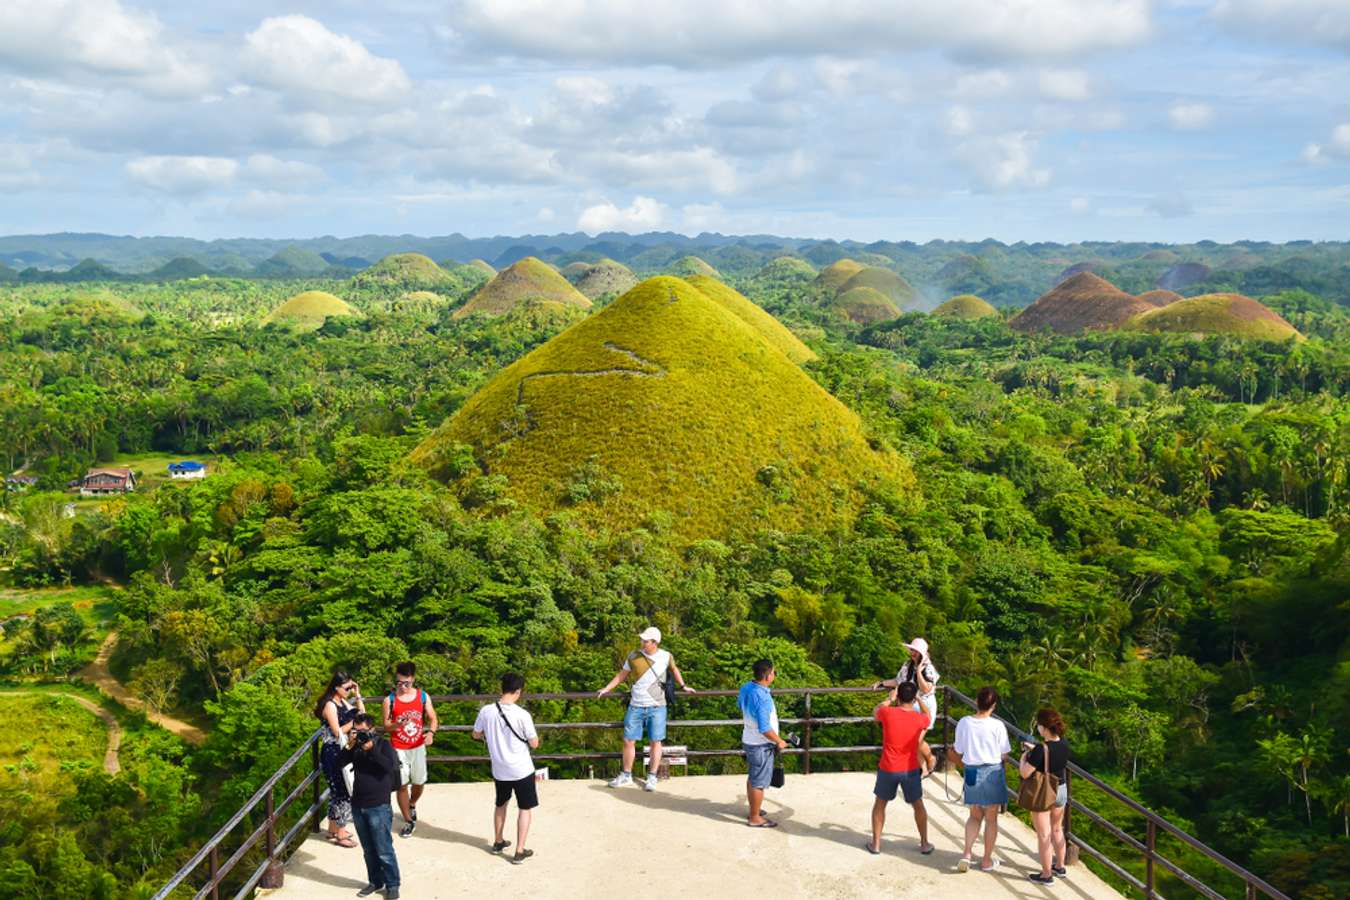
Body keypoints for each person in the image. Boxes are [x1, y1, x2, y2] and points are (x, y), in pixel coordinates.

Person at [596, 626, 694, 791]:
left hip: (657, 705)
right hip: (636, 704)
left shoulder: (666, 656)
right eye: (642, 640)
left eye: (645, 641)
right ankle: (626, 774)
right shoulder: (634, 656)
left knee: (656, 742)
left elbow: (674, 669)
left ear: (655, 643)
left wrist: (683, 685)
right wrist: (607, 688)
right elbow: (622, 674)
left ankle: (652, 777)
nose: (642, 642)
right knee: (628, 740)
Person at [473, 672, 540, 865]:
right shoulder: (522, 715)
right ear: (518, 691)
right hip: (521, 769)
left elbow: (476, 734)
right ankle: (519, 850)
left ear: (501, 688)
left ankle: (498, 841)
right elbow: (534, 743)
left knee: (501, 804)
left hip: (499, 769)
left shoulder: (486, 711)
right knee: (524, 808)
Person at [948, 685, 1011, 874]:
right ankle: (985, 861)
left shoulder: (965, 722)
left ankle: (967, 853)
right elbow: (1005, 754)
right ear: (994, 706)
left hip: (972, 771)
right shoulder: (998, 726)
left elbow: (957, 750)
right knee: (991, 819)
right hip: (992, 772)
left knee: (974, 816)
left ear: (977, 701)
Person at [866, 682, 934, 856]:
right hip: (910, 769)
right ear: (913, 698)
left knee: (880, 804)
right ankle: (924, 843)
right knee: (918, 805)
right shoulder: (919, 719)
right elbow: (929, 715)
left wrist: (889, 699)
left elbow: (876, 711)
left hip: (888, 767)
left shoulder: (888, 713)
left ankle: (876, 844)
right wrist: (919, 698)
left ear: (898, 697)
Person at [341, 714, 401, 899]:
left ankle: (392, 884)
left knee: (384, 849)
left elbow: (388, 767)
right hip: (358, 803)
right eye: (356, 731)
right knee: (368, 850)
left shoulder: (384, 745)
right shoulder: (355, 748)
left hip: (378, 805)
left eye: (362, 732)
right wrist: (349, 745)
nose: (359, 735)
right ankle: (375, 881)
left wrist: (372, 749)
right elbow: (339, 763)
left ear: (372, 729)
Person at [382, 661, 439, 838]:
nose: (403, 686)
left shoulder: (423, 697)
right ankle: (408, 820)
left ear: (413, 679)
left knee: (419, 781)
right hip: (398, 748)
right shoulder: (389, 700)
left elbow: (433, 718)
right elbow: (385, 726)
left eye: (406, 683)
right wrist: (396, 724)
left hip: (417, 746)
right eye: (399, 683)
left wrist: (430, 733)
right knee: (401, 785)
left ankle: (412, 803)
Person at [1019, 708, 1071, 885]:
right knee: (1057, 829)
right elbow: (1050, 754)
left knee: (1043, 835)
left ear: (1044, 727)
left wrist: (1024, 757)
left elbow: (1025, 773)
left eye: (1039, 725)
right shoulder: (1064, 743)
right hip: (1061, 788)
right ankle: (1060, 866)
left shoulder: (1041, 749)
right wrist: (1036, 750)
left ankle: (1046, 874)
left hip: (1044, 793)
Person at [874, 637, 939, 775]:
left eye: (915, 651)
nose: (912, 653)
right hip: (910, 704)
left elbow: (926, 688)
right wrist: (882, 683)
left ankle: (930, 758)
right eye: (912, 650)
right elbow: (898, 681)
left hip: (924, 704)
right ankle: (924, 769)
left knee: (916, 739)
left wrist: (920, 671)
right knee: (912, 739)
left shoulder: (929, 668)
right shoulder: (907, 665)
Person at [314, 671, 364, 848]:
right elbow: (337, 731)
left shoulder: (342, 701)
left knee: (338, 790)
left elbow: (362, 716)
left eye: (351, 687)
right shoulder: (329, 705)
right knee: (342, 790)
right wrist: (354, 722)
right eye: (347, 688)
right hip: (332, 752)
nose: (349, 690)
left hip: (341, 751)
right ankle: (341, 833)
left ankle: (332, 829)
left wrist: (358, 696)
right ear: (336, 687)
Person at [738, 658, 788, 828]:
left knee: (753, 777)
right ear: (767, 676)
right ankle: (755, 817)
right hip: (761, 745)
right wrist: (779, 741)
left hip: (749, 739)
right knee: (759, 782)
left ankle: (754, 809)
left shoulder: (746, 687)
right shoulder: (763, 697)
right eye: (774, 672)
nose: (775, 675)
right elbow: (764, 727)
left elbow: (741, 706)